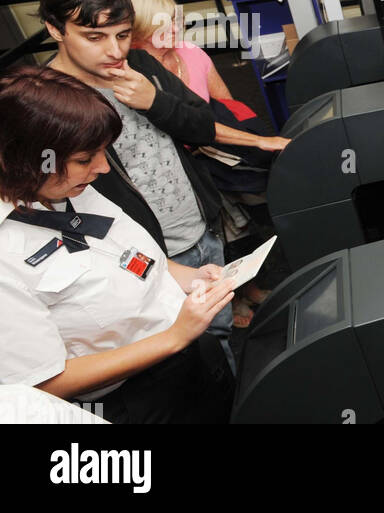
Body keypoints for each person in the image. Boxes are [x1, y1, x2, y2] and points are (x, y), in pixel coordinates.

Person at [38, 0, 284, 370]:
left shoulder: (141, 65)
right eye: (94, 37)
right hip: (143, 251)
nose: (114, 51)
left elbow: (202, 124)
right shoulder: (49, 100)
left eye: (120, 35)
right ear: (56, 30)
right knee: (182, 353)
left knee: (219, 330)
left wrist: (155, 100)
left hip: (198, 225)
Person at [0, 66, 237, 423]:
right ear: (25, 159)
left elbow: (128, 258)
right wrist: (174, 337)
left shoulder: (67, 186)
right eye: (84, 159)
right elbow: (44, 384)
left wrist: (190, 277)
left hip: (189, 355)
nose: (103, 169)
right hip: (134, 400)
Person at [124, 0, 233, 103]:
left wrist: (246, 121)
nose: (176, 29)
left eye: (174, 20)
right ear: (138, 32)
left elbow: (229, 105)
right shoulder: (131, 76)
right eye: (163, 25)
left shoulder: (191, 51)